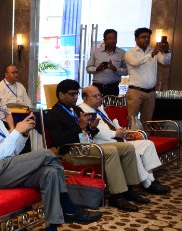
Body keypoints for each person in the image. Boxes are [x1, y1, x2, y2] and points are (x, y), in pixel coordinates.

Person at [0, 87, 101, 231]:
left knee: (50, 173)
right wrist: (16, 131)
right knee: (46, 154)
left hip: (5, 169)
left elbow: (13, 152)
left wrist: (23, 134)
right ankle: (68, 206)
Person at [45, 79, 148, 212]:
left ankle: (129, 189)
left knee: (128, 147)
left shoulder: (76, 109)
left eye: (77, 94)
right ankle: (116, 195)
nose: (75, 97)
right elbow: (59, 141)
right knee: (111, 151)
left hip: (87, 146)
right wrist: (79, 126)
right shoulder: (53, 114)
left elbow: (87, 134)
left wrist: (92, 128)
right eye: (72, 94)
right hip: (71, 151)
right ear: (60, 94)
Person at [79, 85, 170, 195]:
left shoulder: (99, 109)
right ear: (85, 98)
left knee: (148, 144)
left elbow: (109, 126)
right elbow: (95, 132)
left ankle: (151, 178)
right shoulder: (83, 110)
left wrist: (120, 130)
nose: (99, 98)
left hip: (115, 139)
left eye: (99, 95)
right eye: (95, 96)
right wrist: (115, 133)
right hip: (102, 143)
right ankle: (148, 184)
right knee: (131, 149)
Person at [125, 27, 171, 126]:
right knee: (132, 121)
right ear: (136, 39)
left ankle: (146, 137)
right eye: (143, 37)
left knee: (147, 122)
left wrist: (166, 51)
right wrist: (152, 54)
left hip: (150, 93)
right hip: (135, 92)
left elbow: (165, 61)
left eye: (148, 37)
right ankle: (131, 136)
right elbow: (136, 62)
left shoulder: (154, 51)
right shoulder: (130, 52)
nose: (146, 39)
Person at [85, 29, 127, 96]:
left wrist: (116, 69)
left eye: (114, 38)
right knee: (96, 103)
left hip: (113, 87)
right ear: (104, 40)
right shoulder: (96, 52)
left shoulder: (122, 53)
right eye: (109, 38)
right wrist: (97, 69)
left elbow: (127, 71)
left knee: (112, 103)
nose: (112, 40)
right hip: (97, 87)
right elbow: (88, 69)